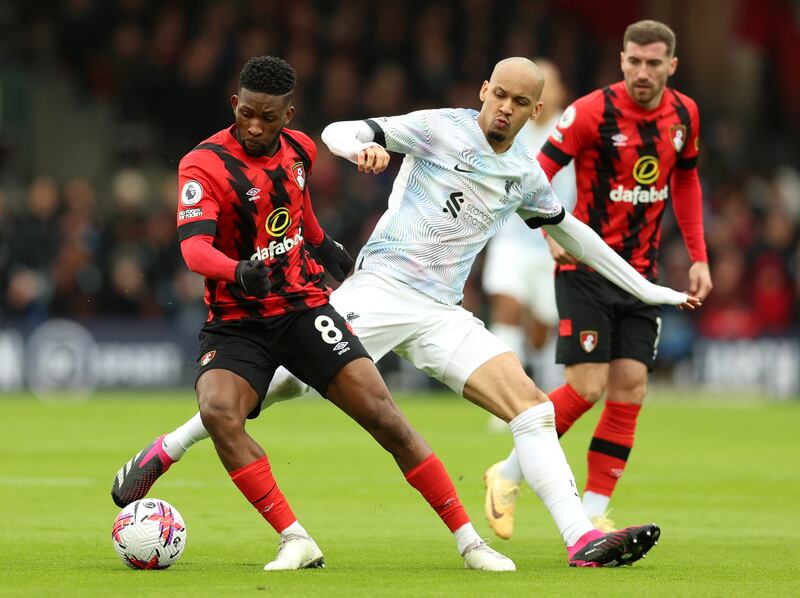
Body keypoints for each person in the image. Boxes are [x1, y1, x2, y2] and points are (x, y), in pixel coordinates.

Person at [113, 56, 700, 568]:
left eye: (520, 102)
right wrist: (363, 148)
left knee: (532, 409)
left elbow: (573, 234)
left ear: (535, 110)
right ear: (483, 92)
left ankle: (580, 540)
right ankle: (169, 446)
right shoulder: (439, 128)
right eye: (498, 94)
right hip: (380, 289)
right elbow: (340, 130)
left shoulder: (524, 172)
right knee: (284, 385)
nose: (504, 108)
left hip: (443, 313)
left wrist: (649, 290)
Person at [113, 55, 518, 573]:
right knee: (218, 411)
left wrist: (326, 248)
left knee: (385, 418)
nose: (256, 126)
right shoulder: (203, 164)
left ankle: (471, 543)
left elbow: (298, 213)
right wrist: (237, 271)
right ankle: (295, 538)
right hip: (237, 321)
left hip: (306, 309)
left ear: (289, 113)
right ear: (234, 104)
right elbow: (195, 251)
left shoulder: (302, 150)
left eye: (270, 117)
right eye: (248, 114)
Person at [484, 20, 713, 539]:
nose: (642, 72)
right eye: (634, 61)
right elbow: (536, 172)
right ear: (622, 59)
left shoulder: (685, 115)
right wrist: (546, 228)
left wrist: (698, 256)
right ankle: (508, 473)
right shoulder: (589, 111)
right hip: (586, 267)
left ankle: (591, 510)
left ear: (671, 66)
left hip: (642, 275)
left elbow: (688, 179)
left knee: (631, 386)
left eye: (654, 63)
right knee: (586, 386)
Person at [481, 58, 575, 399]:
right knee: (506, 307)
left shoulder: (573, 130)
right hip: (511, 239)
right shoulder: (513, 127)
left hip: (553, 244)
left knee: (542, 328)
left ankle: (545, 395)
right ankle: (505, 396)